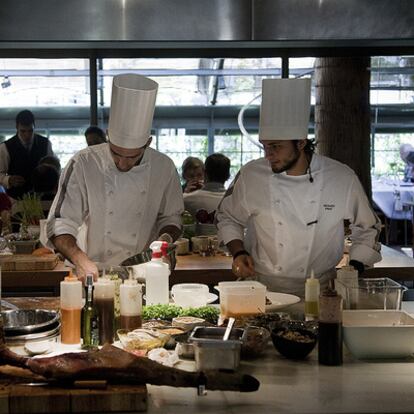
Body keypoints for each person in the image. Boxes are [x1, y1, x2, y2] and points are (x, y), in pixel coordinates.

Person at [216, 78, 382, 296]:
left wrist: (355, 267)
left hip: (321, 289)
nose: (268, 155)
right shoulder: (251, 175)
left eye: (276, 147)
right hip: (262, 288)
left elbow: (368, 228)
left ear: (301, 143)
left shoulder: (340, 177)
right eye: (265, 146)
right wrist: (239, 252)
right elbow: (228, 217)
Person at [45, 74, 184, 280]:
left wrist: (165, 238)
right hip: (93, 271)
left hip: (145, 270)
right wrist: (78, 257)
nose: (122, 163)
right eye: (116, 153)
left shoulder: (163, 167)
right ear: (108, 137)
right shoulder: (84, 163)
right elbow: (61, 221)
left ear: (148, 143)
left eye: (132, 156)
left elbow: (172, 217)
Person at [0, 110, 55, 200]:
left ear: (34, 126)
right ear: (17, 127)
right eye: (23, 131)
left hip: (43, 197)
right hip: (16, 199)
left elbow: (54, 169)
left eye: (30, 130)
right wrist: (9, 180)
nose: (27, 135)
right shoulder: (4, 147)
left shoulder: (46, 143)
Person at [183, 153, 230, 219]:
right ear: (228, 176)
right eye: (191, 176)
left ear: (205, 174)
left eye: (199, 175)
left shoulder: (184, 200)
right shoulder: (235, 201)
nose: (196, 179)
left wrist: (185, 196)